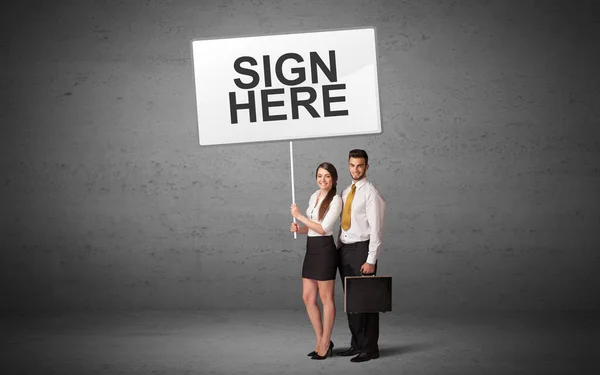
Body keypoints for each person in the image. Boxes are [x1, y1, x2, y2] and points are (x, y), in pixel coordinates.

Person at [336, 149, 386, 363]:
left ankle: (370, 348)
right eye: (352, 165)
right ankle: (356, 344)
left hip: (363, 250)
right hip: (345, 250)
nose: (355, 169)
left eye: (360, 165)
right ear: (348, 166)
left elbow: (376, 228)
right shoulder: (346, 192)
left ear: (367, 167)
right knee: (351, 303)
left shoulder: (370, 193)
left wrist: (371, 259)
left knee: (366, 302)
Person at [290, 162, 343, 360]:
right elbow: (313, 228)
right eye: (320, 176)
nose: (323, 179)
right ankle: (322, 340)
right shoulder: (314, 196)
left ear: (334, 179)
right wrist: (299, 229)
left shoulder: (336, 200)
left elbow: (323, 229)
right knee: (307, 297)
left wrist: (299, 216)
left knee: (326, 299)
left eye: (327, 176)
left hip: (325, 251)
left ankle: (325, 341)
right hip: (311, 250)